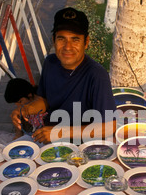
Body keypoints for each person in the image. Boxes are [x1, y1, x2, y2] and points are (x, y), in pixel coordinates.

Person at [11, 7, 117, 145]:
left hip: (80, 145)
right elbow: (44, 100)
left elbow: (110, 126)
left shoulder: (97, 75)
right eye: (61, 39)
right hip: (47, 136)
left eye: (75, 39)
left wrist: (59, 132)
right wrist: (25, 110)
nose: (67, 47)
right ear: (54, 40)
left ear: (86, 42)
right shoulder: (50, 62)